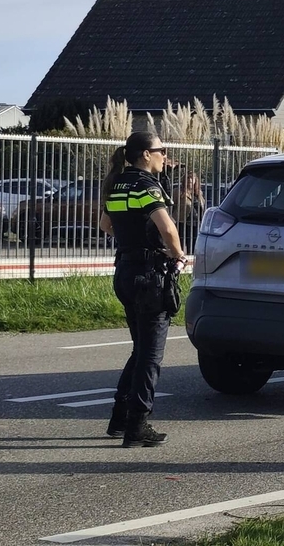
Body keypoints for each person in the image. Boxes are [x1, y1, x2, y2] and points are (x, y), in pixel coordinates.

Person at [98, 132, 187, 448]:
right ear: (146, 154)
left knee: (140, 349)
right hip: (150, 276)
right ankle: (137, 426)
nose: (165, 155)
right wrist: (177, 255)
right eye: (161, 150)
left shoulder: (118, 183)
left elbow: (106, 226)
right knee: (151, 355)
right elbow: (167, 228)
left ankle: (120, 420)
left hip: (125, 272)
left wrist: (132, 239)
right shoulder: (147, 185)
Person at [173, 169, 206, 250]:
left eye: (192, 178)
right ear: (184, 180)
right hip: (182, 223)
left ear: (195, 181)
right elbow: (171, 206)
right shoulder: (178, 192)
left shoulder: (199, 193)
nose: (190, 180)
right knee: (180, 246)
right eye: (188, 178)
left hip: (196, 224)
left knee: (194, 247)